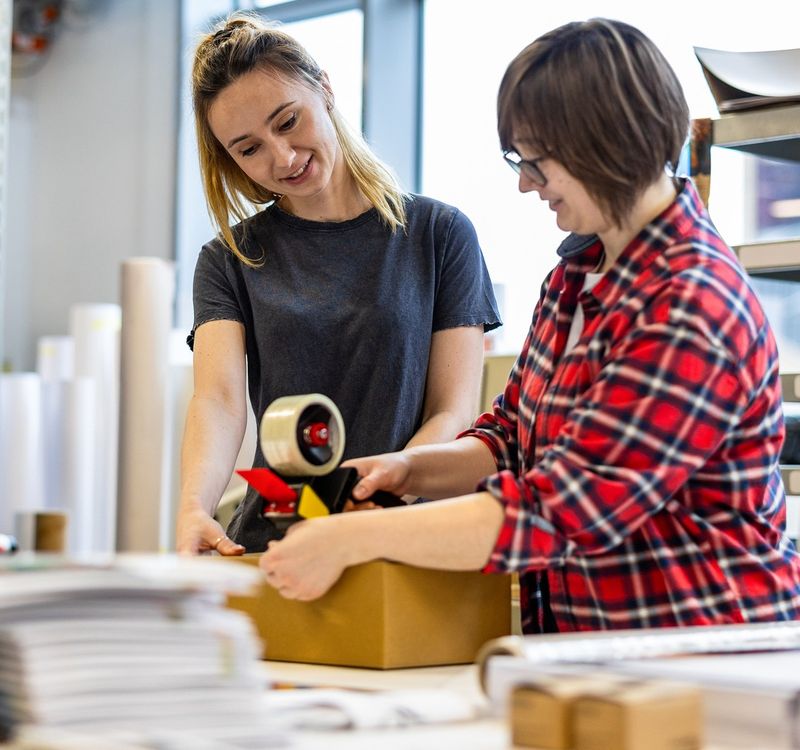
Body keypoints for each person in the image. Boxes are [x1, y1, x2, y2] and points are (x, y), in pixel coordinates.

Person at [260, 18, 800, 631]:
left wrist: (352, 539)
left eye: (537, 163)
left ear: (609, 145)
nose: (524, 184)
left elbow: (560, 511)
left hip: (706, 658)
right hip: (595, 658)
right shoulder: (576, 277)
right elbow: (513, 436)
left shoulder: (689, 305)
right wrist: (409, 470)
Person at [176, 13, 501, 555]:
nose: (281, 158)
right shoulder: (228, 259)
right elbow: (219, 400)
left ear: (324, 88)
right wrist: (192, 507)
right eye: (248, 148)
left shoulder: (439, 235)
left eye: (287, 121)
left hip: (401, 541)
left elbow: (454, 411)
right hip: (275, 545)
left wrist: (387, 490)